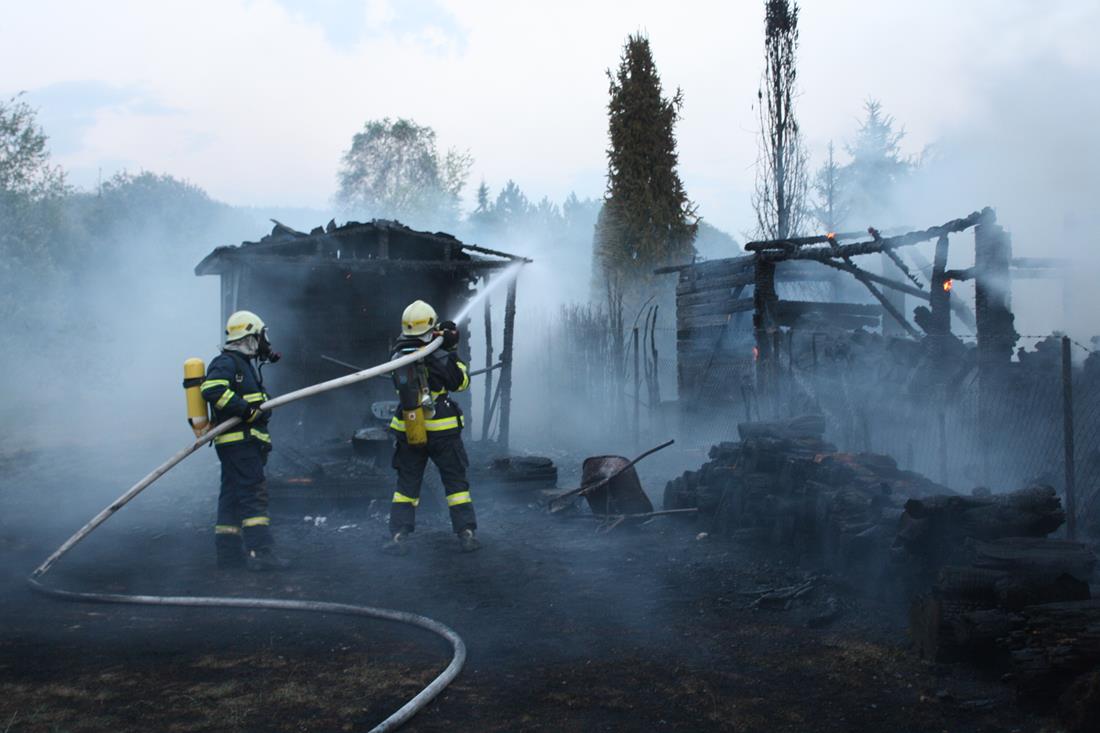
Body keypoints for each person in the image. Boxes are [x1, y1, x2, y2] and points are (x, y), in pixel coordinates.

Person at [384, 300, 480, 554]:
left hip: (410, 430)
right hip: (443, 433)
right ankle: (466, 533)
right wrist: (452, 349)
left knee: (406, 486)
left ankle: (398, 535)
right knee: (455, 483)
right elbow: (461, 382)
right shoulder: (441, 356)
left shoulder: (396, 357)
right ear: (431, 326)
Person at [200, 310, 289, 571]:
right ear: (250, 336)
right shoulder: (227, 362)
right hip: (240, 443)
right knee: (253, 494)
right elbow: (212, 389)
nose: (265, 341)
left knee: (231, 496)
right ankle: (261, 551)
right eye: (262, 336)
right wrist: (246, 410)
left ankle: (228, 556)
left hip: (241, 444)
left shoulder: (244, 365)